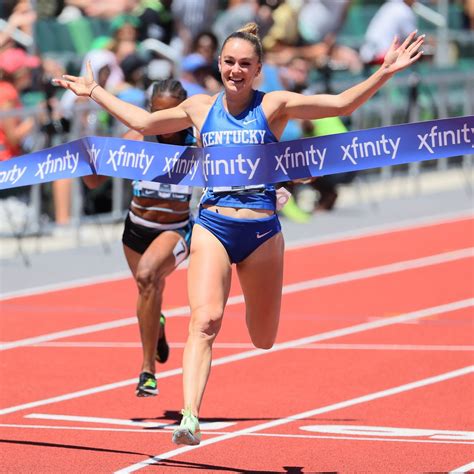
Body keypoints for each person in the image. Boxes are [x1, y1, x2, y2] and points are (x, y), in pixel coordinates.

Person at [54, 23, 424, 446]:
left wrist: (384, 72)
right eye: (229, 62)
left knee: (262, 337)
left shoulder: (275, 105)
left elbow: (340, 102)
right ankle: (190, 416)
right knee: (204, 320)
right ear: (219, 65)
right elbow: (143, 120)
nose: (235, 70)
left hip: (262, 232)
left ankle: (210, 386)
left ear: (258, 69)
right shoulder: (198, 108)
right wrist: (93, 92)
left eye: (245, 64)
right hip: (213, 224)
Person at [82, 79, 195, 397]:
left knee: (147, 276)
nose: (165, 122)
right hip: (135, 231)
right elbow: (93, 182)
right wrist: (86, 157)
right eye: (158, 113)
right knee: (148, 289)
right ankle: (155, 323)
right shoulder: (136, 138)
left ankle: (147, 371)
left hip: (175, 231)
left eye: (172, 113)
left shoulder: (197, 143)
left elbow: (237, 168)